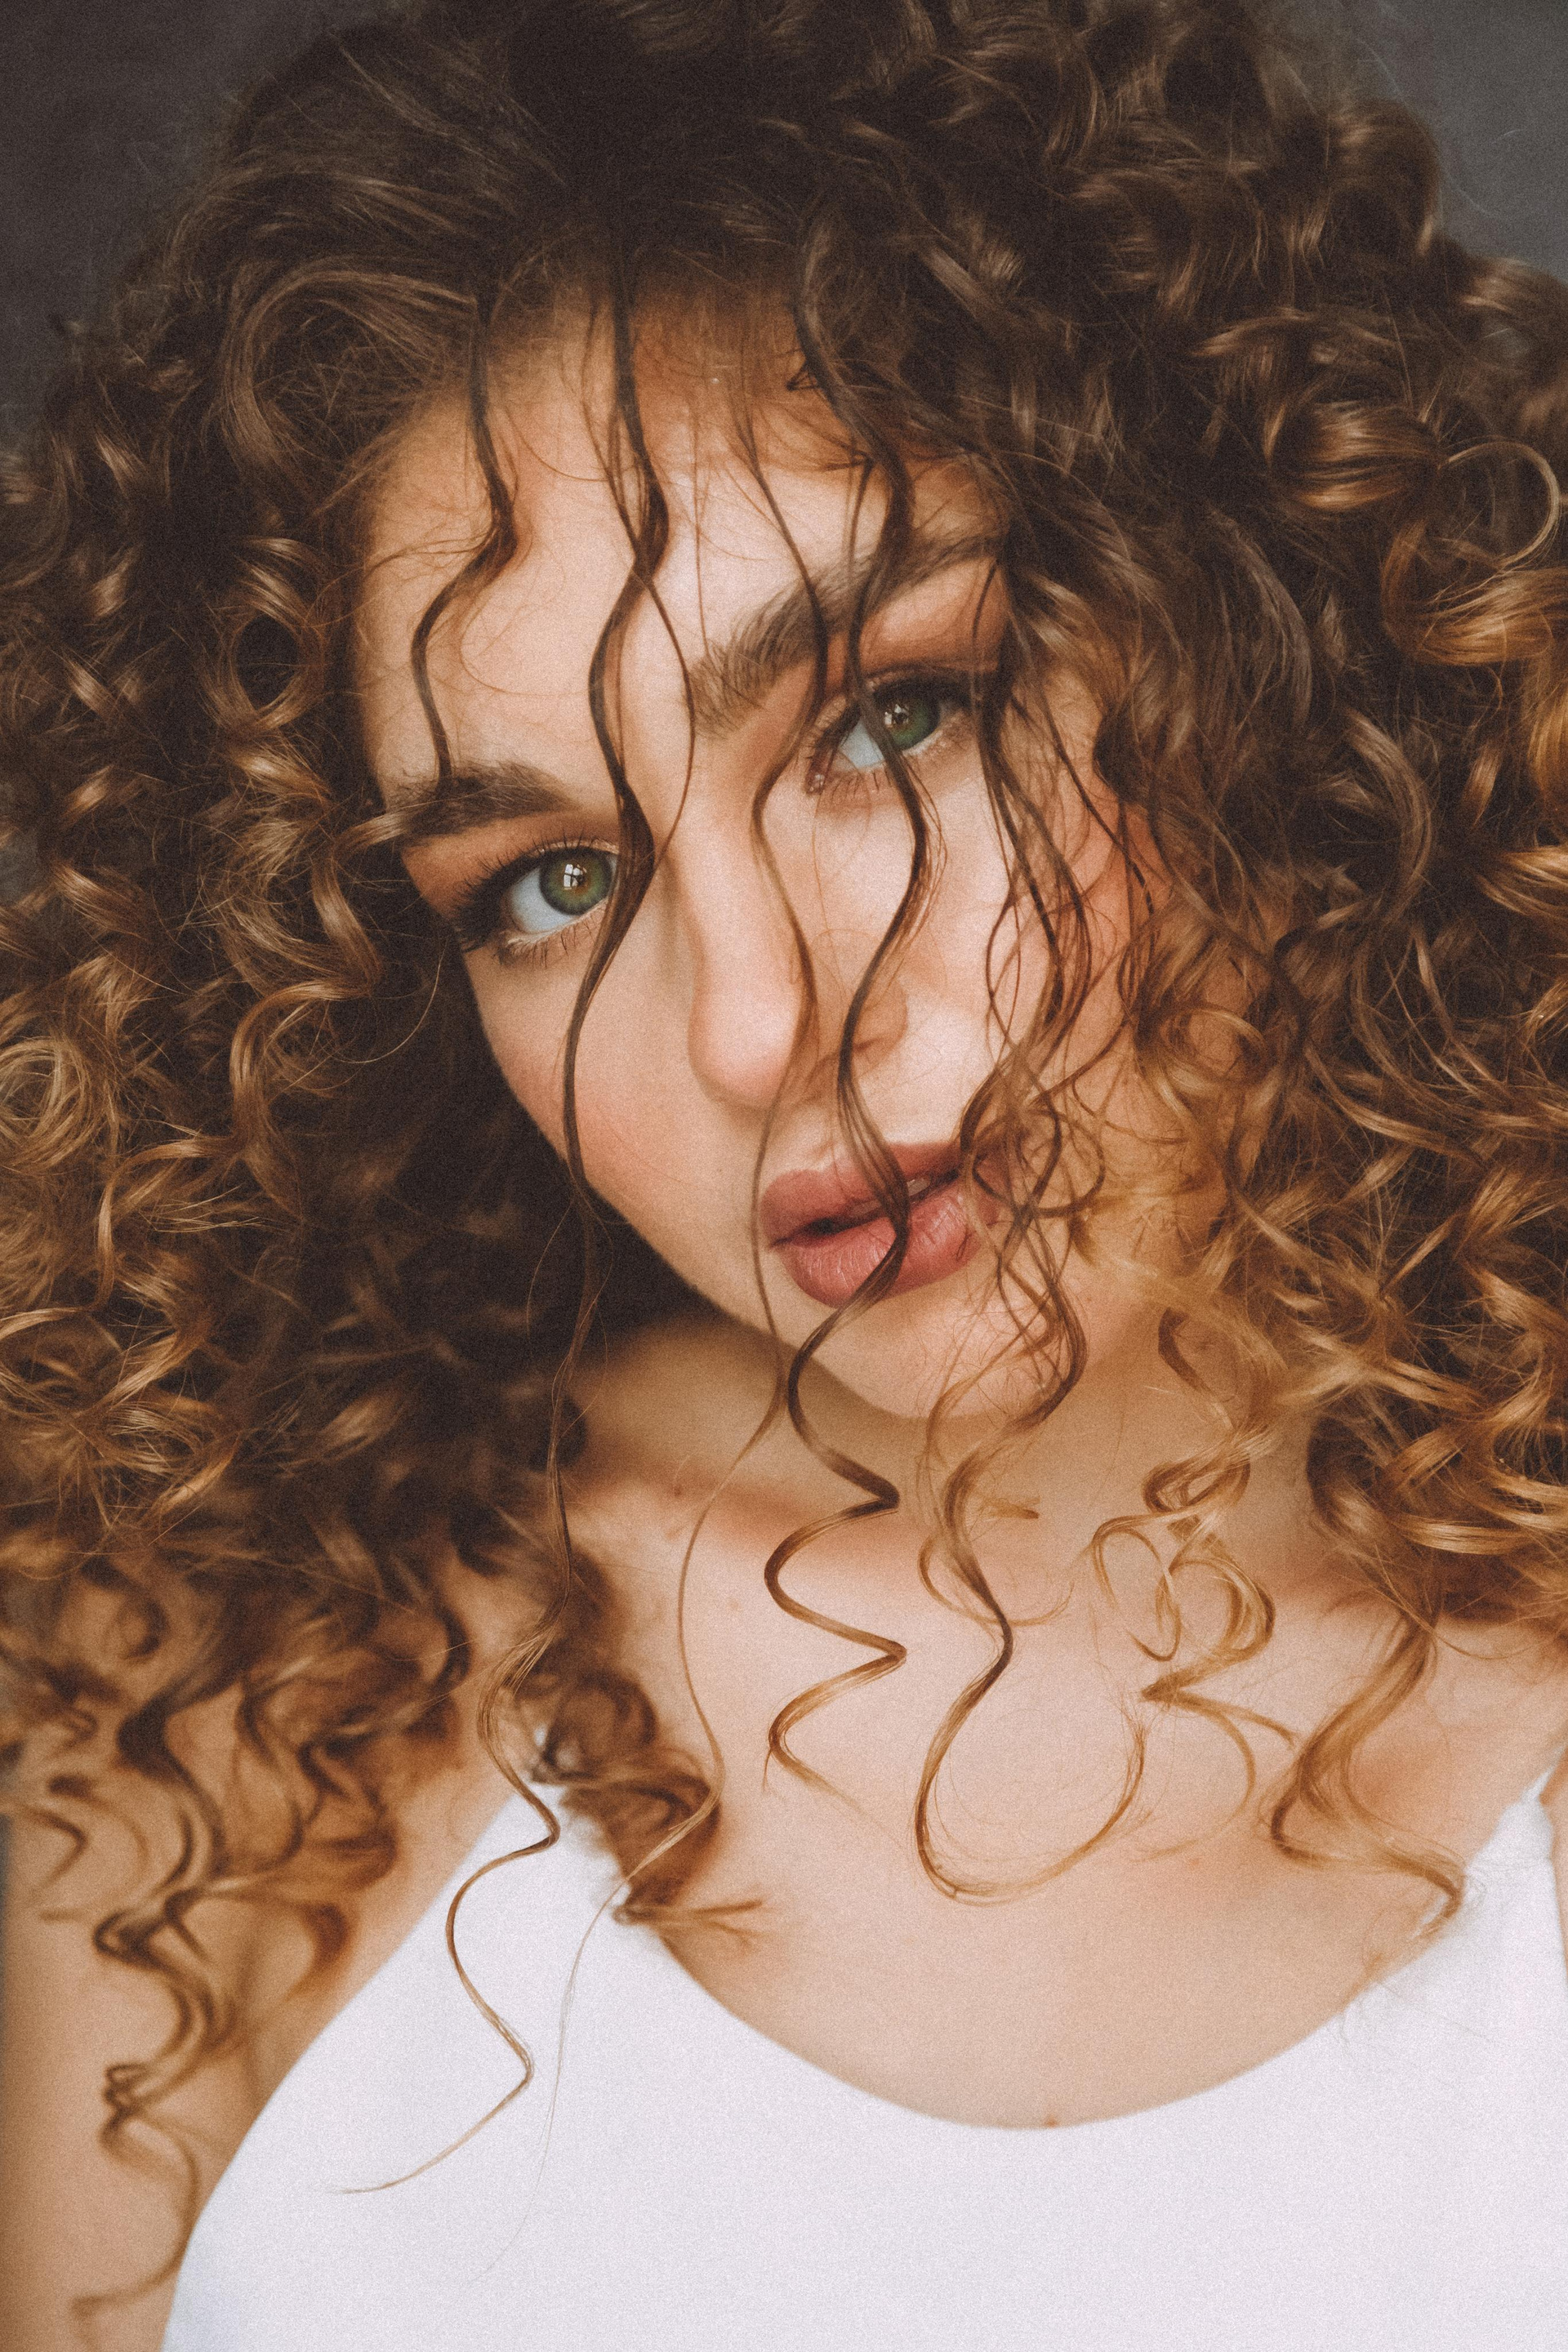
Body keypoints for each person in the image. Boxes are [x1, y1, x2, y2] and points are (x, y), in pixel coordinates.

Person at [4, 0, 1568, 2343]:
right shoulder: (247, 1692)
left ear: (1261, 625)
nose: (752, 1023)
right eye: (550, 882)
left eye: (888, 719)